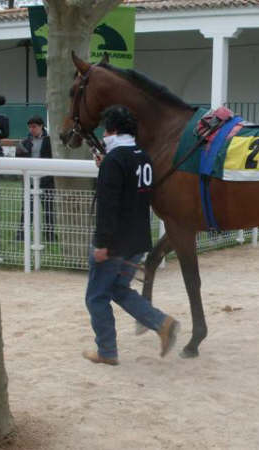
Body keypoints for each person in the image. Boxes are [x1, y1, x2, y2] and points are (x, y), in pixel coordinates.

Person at [82, 105, 179, 365]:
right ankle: (162, 323)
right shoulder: (142, 156)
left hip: (115, 243)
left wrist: (102, 244)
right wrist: (106, 168)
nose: (103, 135)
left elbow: (108, 206)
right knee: (119, 289)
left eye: (105, 130)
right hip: (138, 239)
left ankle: (107, 351)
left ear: (112, 130)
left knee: (95, 297)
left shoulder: (115, 161)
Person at [15, 115, 56, 242]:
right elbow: (19, 160)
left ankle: (49, 235)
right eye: (30, 127)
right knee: (27, 209)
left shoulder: (50, 141)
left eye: (34, 127)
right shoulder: (25, 142)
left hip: (46, 180)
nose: (32, 129)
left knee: (48, 209)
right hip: (30, 180)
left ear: (41, 126)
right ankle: (21, 235)